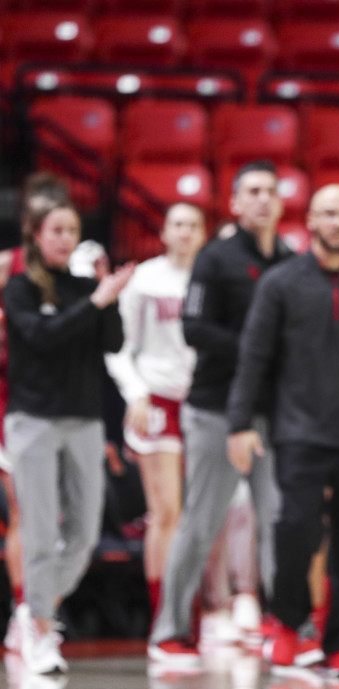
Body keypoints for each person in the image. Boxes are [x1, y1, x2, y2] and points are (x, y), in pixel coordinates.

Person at [227, 184, 339, 678]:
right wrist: (239, 424)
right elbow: (253, 359)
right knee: (296, 531)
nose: (336, 222)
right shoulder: (280, 283)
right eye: (327, 213)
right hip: (299, 431)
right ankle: (286, 624)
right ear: (309, 220)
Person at [149, 161, 295, 669]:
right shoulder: (214, 259)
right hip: (213, 410)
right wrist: (256, 351)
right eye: (252, 191)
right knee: (201, 520)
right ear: (234, 203)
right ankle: (168, 631)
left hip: (270, 416)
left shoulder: (290, 261)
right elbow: (193, 329)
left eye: (270, 192)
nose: (262, 199)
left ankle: (286, 628)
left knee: (279, 521)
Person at [4, 196, 133, 674]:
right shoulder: (18, 288)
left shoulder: (86, 287)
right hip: (33, 420)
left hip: (84, 419)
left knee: (82, 535)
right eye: (55, 229)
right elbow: (42, 338)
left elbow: (114, 343)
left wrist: (107, 297)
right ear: (37, 236)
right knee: (39, 530)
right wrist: (95, 302)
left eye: (71, 230)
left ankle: (30, 611)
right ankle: (41, 628)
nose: (63, 238)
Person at [105, 203, 207, 626]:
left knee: (204, 514)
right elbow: (118, 348)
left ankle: (207, 608)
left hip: (202, 402)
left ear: (203, 234)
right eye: (177, 224)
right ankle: (165, 613)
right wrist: (136, 393)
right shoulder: (145, 280)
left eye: (193, 225)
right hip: (158, 399)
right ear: (163, 232)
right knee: (166, 511)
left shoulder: (211, 281)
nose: (185, 232)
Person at [1, 173, 72, 654]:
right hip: (14, 398)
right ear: (30, 224)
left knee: (61, 516)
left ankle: (41, 608)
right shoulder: (7, 268)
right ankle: (25, 611)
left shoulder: (76, 272)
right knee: (26, 511)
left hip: (64, 402)